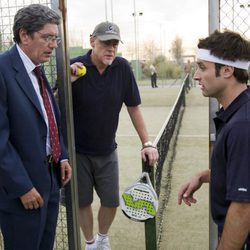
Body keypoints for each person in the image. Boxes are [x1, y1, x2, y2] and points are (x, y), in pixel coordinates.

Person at [70, 21, 159, 250]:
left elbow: (133, 107)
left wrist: (147, 143)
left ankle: (102, 237)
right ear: (92, 41)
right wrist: (68, 82)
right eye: (105, 43)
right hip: (77, 151)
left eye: (114, 44)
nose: (111, 48)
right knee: (82, 202)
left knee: (110, 202)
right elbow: (53, 103)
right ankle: (90, 243)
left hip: (107, 150)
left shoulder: (122, 68)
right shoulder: (73, 66)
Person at [0, 4, 72, 250]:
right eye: (47, 37)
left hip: (50, 183)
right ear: (23, 35)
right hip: (21, 193)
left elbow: (49, 117)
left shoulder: (37, 70)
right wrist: (22, 186)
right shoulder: (2, 69)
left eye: (56, 38)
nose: (54, 45)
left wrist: (61, 155)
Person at [178, 30, 250, 249]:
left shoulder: (242, 126)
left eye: (202, 68)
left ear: (227, 71)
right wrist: (206, 175)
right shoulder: (238, 113)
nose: (196, 76)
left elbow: (244, 208)